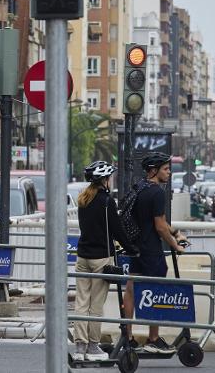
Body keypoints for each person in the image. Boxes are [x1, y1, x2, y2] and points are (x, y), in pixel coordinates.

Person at [72, 161, 138, 362]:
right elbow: (117, 230)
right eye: (109, 177)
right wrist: (132, 248)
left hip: (82, 256)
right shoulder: (107, 201)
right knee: (96, 304)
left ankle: (79, 347)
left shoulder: (83, 199)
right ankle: (92, 347)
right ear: (104, 180)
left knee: (81, 302)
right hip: (101, 257)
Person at [123, 152, 187, 354]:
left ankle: (128, 337)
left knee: (131, 290)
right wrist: (175, 245)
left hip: (136, 248)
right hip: (152, 250)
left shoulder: (140, 188)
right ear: (154, 170)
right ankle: (153, 339)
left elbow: (158, 221)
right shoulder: (157, 192)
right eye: (166, 169)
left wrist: (175, 232)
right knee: (156, 291)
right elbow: (159, 226)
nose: (169, 173)